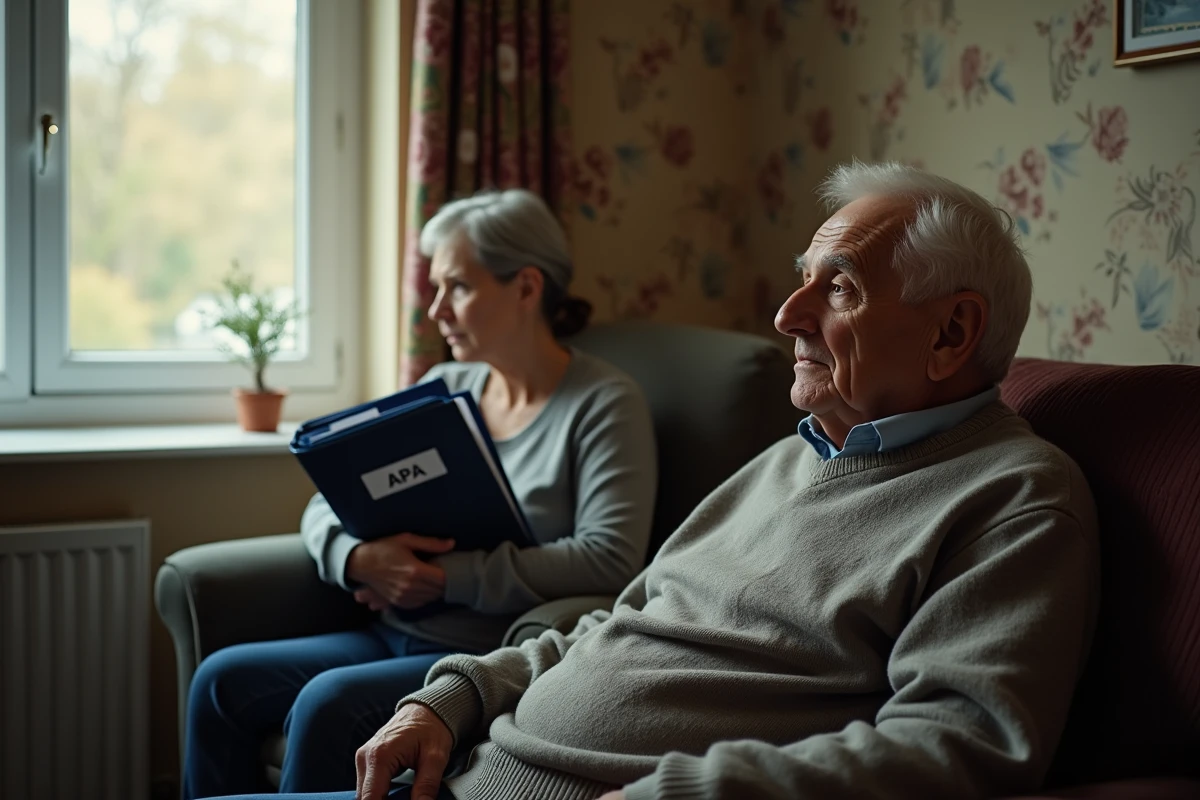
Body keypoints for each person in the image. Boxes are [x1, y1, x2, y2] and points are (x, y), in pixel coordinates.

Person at [226, 162, 1101, 800]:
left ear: (952, 333)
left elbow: (959, 747)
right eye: (803, 279)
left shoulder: (1013, 498)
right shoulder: (795, 455)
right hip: (473, 766)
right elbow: (621, 620)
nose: (786, 315)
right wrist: (457, 694)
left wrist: (684, 793)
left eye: (837, 289)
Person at [182, 190, 659, 797]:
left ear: (526, 288)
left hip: (484, 650)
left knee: (327, 701)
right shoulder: (445, 387)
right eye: (435, 288)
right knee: (219, 680)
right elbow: (328, 501)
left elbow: (610, 557)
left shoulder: (604, 405)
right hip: (390, 626)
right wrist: (355, 558)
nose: (436, 311)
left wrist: (446, 578)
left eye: (456, 287)